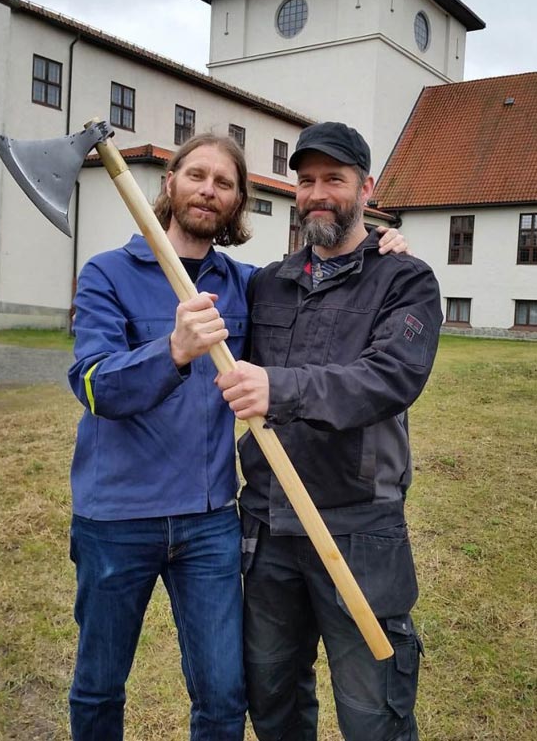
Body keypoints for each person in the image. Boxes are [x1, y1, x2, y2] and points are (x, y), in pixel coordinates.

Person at [67, 128, 409, 741]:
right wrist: (172, 350)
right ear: (168, 183)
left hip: (209, 521)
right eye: (196, 175)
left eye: (224, 183)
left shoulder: (248, 284)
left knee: (225, 698)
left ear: (237, 200)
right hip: (117, 518)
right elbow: (93, 386)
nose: (208, 190)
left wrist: (376, 244)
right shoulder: (106, 274)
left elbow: (324, 280)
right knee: (99, 686)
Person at [216, 121, 443, 741]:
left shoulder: (405, 279)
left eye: (334, 179)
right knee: (272, 697)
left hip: (359, 530)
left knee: (374, 713)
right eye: (307, 180)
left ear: (366, 188)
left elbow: (388, 378)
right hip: (268, 529)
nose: (318, 193)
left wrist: (280, 388)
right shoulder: (270, 283)